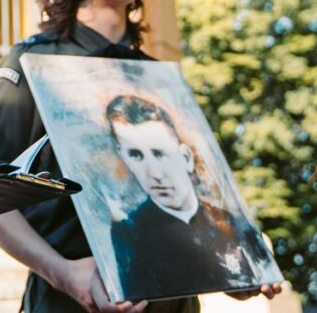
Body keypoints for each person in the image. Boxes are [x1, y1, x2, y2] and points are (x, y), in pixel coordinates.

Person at [0, 0, 280, 313]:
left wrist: (238, 270)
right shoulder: (33, 62)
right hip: (67, 304)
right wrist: (64, 273)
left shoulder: (157, 77)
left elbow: (198, 198)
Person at [106, 95, 270, 299]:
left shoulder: (231, 222)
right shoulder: (128, 233)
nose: (154, 174)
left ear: (185, 157)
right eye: (136, 155)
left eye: (159, 153)